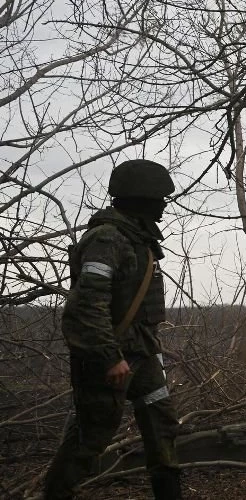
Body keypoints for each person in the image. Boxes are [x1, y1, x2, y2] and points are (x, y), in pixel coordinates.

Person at [43, 159, 182, 499]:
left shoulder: (138, 238)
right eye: (159, 198)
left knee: (161, 424)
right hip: (109, 356)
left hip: (142, 353)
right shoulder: (107, 238)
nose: (164, 205)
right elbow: (88, 305)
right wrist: (109, 357)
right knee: (90, 437)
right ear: (141, 198)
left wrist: (151, 351)